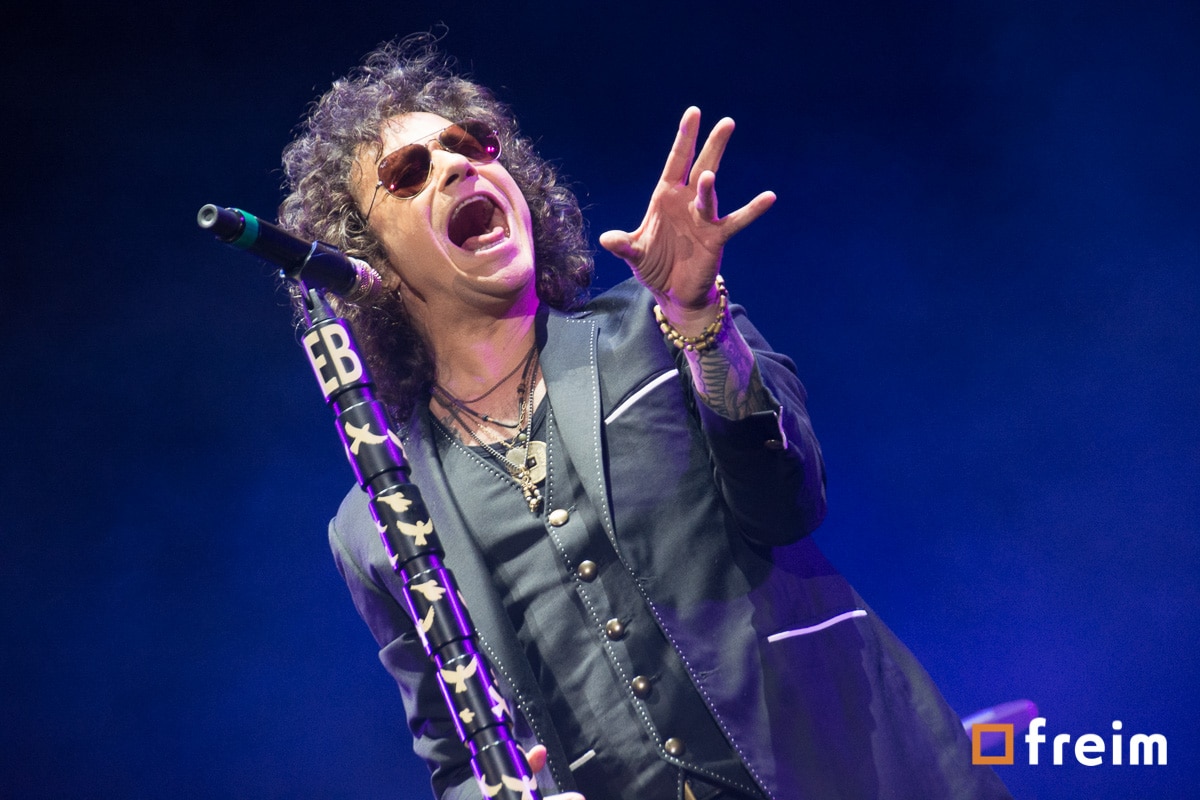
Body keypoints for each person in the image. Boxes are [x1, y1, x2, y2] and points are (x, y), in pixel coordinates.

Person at [278, 35, 1011, 800]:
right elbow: (456, 759)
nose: (458, 166)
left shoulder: (657, 327)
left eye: (470, 144)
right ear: (367, 263)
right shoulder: (376, 522)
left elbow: (790, 502)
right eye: (409, 172)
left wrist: (700, 324)